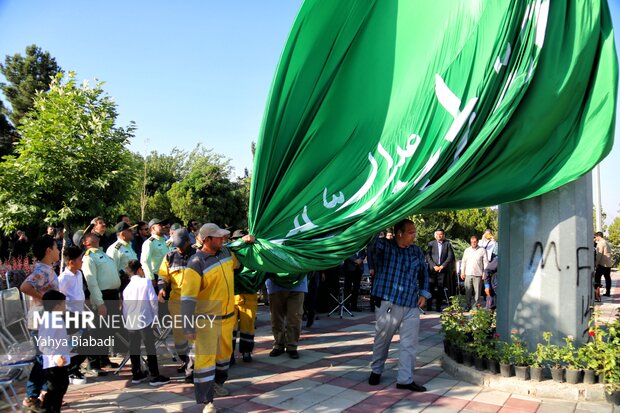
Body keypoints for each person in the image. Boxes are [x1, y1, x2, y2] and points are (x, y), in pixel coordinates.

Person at [182, 223, 255, 412]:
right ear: (207, 240)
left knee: (223, 359)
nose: (223, 239)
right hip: (206, 322)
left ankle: (218, 383)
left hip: (228, 319)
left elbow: (237, 254)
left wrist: (247, 242)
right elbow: (188, 298)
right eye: (219, 237)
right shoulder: (196, 263)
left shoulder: (225, 254)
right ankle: (208, 402)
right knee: (205, 363)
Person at [367, 219, 431, 392]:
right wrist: (383, 215)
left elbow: (424, 273)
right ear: (399, 233)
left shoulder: (416, 251)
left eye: (414, 232)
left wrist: (424, 293)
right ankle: (376, 370)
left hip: (411, 304)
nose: (414, 235)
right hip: (389, 302)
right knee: (383, 339)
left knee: (409, 343)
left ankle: (405, 379)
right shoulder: (384, 247)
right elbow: (370, 242)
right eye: (411, 232)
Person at [19, 236, 60, 411]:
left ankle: (43, 394)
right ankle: (32, 396)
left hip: (46, 320)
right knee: (43, 358)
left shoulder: (46, 269)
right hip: (40, 321)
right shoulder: (41, 271)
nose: (59, 250)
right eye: (56, 248)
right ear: (48, 251)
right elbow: (25, 287)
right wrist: (46, 299)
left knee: (45, 357)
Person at [123, 259, 170, 386]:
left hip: (131, 321)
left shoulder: (127, 288)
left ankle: (136, 374)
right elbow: (153, 300)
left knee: (134, 347)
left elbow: (125, 308)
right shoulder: (146, 282)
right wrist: (155, 317)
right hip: (145, 319)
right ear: (139, 270)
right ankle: (154, 375)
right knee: (150, 347)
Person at [81, 231, 122, 373]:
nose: (94, 235)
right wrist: (99, 303)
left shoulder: (103, 254)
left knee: (108, 330)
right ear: (85, 242)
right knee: (96, 331)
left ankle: (104, 359)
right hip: (102, 296)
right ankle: (93, 364)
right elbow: (91, 282)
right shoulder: (89, 258)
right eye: (89, 235)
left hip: (112, 295)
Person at [157, 228, 195, 382]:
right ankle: (186, 362)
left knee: (193, 337)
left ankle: (191, 369)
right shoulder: (169, 257)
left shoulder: (199, 256)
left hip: (195, 302)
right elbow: (163, 276)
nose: (178, 248)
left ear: (188, 241)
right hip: (176, 302)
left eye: (181, 245)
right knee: (180, 338)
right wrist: (161, 290)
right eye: (176, 245)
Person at [57, 245, 88, 385]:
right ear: (71, 262)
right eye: (80, 259)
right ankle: (71, 371)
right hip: (70, 317)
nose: (82, 261)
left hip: (81, 314)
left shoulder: (79, 274)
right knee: (74, 345)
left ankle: (74, 368)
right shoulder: (63, 279)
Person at [38, 290, 71, 413]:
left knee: (60, 388)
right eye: (63, 304)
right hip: (54, 362)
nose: (65, 307)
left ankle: (50, 409)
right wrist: (56, 356)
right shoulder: (51, 320)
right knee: (56, 390)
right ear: (57, 306)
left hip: (59, 360)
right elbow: (43, 343)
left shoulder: (54, 318)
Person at [230, 230, 259, 364]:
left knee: (248, 326)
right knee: (231, 328)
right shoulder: (230, 252)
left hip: (249, 295)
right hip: (232, 295)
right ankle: (229, 354)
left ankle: (246, 352)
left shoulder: (254, 255)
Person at [266, 274, 308, 359]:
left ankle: (292, 346)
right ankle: (278, 345)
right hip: (275, 283)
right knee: (276, 317)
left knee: (295, 317)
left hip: (298, 284)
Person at [425, 228, 455, 312]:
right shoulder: (431, 244)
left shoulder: (447, 244)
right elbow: (428, 256)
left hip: (442, 270)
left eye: (441, 234)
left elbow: (450, 256)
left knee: (440, 289)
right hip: (432, 270)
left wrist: (442, 266)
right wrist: (434, 266)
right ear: (435, 236)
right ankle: (429, 306)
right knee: (431, 288)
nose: (439, 236)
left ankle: (438, 307)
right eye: (437, 234)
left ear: (444, 235)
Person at [106, 221, 138, 291]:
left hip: (135, 281)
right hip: (124, 283)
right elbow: (113, 270)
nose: (132, 232)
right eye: (129, 230)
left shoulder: (129, 245)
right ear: (122, 234)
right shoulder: (114, 249)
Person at [460, 235, 489, 310]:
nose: (473, 243)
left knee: (477, 292)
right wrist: (462, 272)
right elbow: (463, 262)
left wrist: (484, 273)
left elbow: (486, 262)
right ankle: (468, 305)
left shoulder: (482, 250)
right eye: (472, 242)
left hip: (478, 274)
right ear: (470, 242)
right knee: (468, 290)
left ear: (477, 242)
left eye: (475, 242)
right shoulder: (467, 250)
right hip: (468, 273)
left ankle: (476, 305)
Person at [140, 218, 169, 284]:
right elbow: (145, 261)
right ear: (153, 228)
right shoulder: (149, 243)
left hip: (166, 275)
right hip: (156, 277)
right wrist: (151, 278)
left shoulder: (164, 241)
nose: (163, 227)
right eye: (160, 225)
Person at [594, 231, 613, 301]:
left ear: (598, 236)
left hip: (602, 264)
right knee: (607, 278)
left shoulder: (601, 243)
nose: (596, 239)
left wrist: (596, 263)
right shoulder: (607, 242)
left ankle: (597, 294)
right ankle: (608, 292)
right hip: (608, 263)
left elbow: (599, 254)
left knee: (597, 278)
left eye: (596, 237)